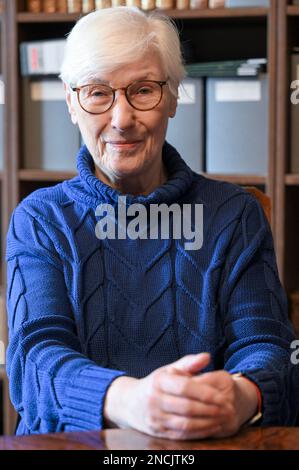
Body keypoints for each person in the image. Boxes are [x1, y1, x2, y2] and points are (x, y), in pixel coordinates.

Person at [6, 6, 298, 439]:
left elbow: (269, 349)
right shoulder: (41, 219)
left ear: (175, 96)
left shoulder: (235, 214)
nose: (122, 120)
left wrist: (242, 396)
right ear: (71, 102)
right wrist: (129, 401)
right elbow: (34, 363)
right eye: (98, 93)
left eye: (143, 90)